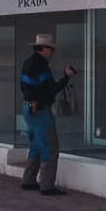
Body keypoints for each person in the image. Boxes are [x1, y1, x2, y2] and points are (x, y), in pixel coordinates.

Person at [19, 32, 77, 195]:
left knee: (36, 146)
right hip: (40, 111)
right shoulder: (41, 68)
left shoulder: (27, 63)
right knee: (50, 147)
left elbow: (24, 88)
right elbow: (51, 90)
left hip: (29, 109)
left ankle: (28, 180)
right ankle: (47, 186)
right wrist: (66, 77)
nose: (53, 52)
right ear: (43, 48)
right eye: (51, 49)